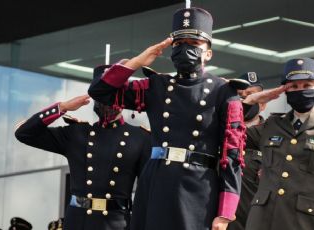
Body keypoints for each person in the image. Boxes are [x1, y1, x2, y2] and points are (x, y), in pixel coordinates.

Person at [88, 7, 246, 230]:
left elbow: (232, 155)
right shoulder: (156, 86)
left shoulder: (223, 91)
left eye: (193, 44)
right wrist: (138, 61)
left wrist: (226, 212)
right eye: (179, 44)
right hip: (156, 183)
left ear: (208, 53)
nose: (185, 49)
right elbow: (101, 92)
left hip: (198, 188)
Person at [15, 65, 151, 230]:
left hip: (116, 223)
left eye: (112, 93)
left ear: (122, 97)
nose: (106, 100)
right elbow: (25, 134)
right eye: (101, 95)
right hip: (78, 221)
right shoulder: (77, 134)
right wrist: (62, 107)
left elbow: (147, 193)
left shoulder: (140, 138)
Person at [242, 57, 314, 230]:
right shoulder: (271, 125)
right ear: (285, 91)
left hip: (305, 223)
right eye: (293, 87)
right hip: (262, 221)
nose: (300, 90)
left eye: (307, 85)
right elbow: (231, 134)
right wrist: (249, 102)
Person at [228, 72, 265, 230]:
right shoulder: (221, 134)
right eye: (240, 95)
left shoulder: (273, 135)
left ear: (262, 103)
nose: (245, 100)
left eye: (251, 95)